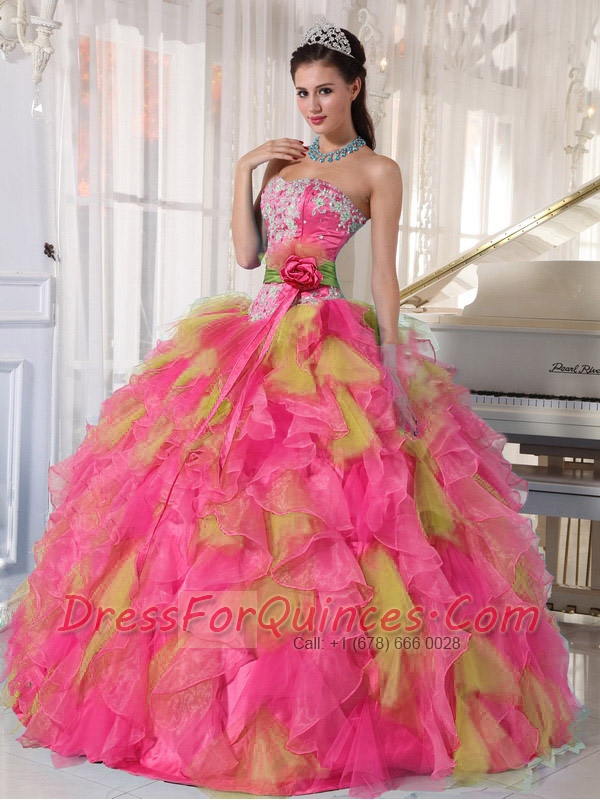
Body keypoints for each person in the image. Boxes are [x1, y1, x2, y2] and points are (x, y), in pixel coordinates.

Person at [1, 17, 584, 799]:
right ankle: (208, 692)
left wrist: (391, 365)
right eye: (302, 92)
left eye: (325, 91)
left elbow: (384, 278)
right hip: (252, 334)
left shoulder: (377, 169)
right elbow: (249, 257)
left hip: (328, 337)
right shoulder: (280, 164)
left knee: (328, 513)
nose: (312, 105)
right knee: (218, 507)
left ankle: (326, 702)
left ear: (355, 87)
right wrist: (246, 170)